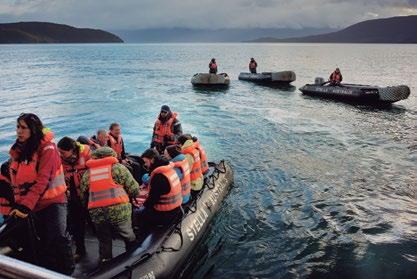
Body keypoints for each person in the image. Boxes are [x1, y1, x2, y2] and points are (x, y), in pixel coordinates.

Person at [5, 113, 74, 274]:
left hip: (54, 202)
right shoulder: (20, 150)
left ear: (33, 129)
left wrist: (25, 206)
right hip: (34, 205)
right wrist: (20, 204)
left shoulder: (48, 149)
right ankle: (48, 271)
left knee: (58, 237)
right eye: (17, 127)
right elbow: (16, 180)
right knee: (42, 241)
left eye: (23, 128)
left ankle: (68, 272)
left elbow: (43, 180)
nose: (19, 131)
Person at [79, 147, 139, 263]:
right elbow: (134, 190)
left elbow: (83, 196)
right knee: (128, 235)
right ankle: (133, 260)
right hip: (120, 212)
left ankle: (105, 262)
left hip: (97, 214)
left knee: (104, 240)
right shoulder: (119, 169)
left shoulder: (87, 174)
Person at [57, 136, 91, 262]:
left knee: (96, 223)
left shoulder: (87, 154)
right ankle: (80, 250)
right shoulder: (59, 160)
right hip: (73, 198)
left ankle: (106, 250)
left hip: (89, 195)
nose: (60, 154)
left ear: (72, 150)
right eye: (59, 151)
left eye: (62, 152)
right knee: (77, 225)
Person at [138, 149, 182, 232]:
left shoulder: (158, 177)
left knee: (137, 212)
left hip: (164, 214)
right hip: (176, 209)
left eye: (146, 162)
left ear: (152, 160)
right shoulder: (170, 170)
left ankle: (140, 235)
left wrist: (141, 205)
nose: (145, 165)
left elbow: (151, 202)